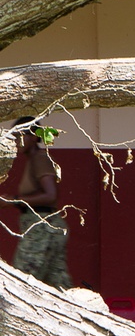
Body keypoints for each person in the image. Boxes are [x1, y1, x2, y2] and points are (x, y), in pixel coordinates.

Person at [4, 116, 74, 289]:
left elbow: (50, 195)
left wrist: (13, 201)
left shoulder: (40, 159)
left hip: (41, 228)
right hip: (47, 228)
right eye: (15, 137)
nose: (18, 141)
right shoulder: (34, 160)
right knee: (58, 286)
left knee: (21, 284)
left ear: (35, 137)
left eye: (22, 136)